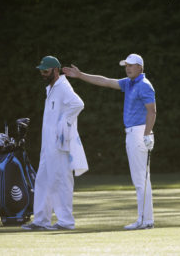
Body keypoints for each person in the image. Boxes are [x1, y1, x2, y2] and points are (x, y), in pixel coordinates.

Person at [62, 53, 156, 230]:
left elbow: (152, 111)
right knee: (141, 179)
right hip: (134, 134)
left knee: (140, 180)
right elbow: (105, 81)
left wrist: (147, 134)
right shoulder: (129, 83)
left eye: (131, 65)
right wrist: (81, 75)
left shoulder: (144, 85)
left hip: (139, 133)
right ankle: (146, 219)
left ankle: (145, 220)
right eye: (126, 65)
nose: (127, 68)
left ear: (140, 68)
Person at [22, 55, 88, 231]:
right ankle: (41, 220)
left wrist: (64, 122)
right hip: (48, 146)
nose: (43, 73)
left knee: (61, 181)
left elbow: (78, 104)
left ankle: (66, 222)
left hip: (59, 145)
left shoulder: (63, 86)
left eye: (46, 70)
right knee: (42, 181)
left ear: (56, 70)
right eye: (41, 70)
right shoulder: (50, 88)